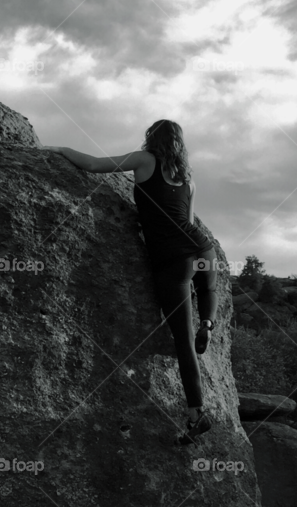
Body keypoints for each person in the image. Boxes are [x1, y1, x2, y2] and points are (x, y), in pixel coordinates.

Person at [47, 120, 219, 445]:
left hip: (173, 258)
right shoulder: (188, 180)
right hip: (202, 249)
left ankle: (197, 413)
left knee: (183, 341)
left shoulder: (144, 160)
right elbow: (188, 220)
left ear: (152, 138)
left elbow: (94, 165)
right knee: (207, 289)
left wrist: (60, 148)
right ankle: (208, 323)